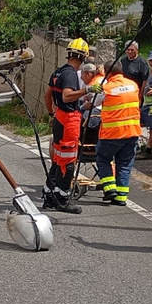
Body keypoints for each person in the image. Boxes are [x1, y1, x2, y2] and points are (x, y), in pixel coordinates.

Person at [42, 38, 91, 214]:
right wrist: (86, 91)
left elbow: (48, 95)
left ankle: (49, 195)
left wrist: (51, 113)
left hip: (59, 119)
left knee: (58, 160)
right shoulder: (70, 74)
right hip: (69, 119)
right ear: (84, 56)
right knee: (68, 161)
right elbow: (67, 96)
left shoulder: (58, 72)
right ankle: (62, 199)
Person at [90, 64, 142, 205]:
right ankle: (121, 198)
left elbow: (93, 103)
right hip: (132, 133)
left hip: (112, 133)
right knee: (124, 164)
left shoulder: (106, 88)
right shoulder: (133, 85)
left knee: (103, 159)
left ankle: (110, 189)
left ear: (107, 72)